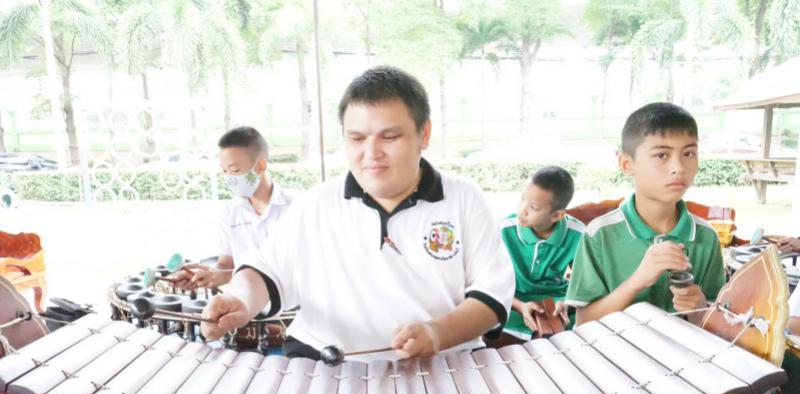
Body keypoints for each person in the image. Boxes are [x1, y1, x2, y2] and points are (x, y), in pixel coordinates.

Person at [201, 66, 514, 360]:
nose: (371, 153)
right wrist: (239, 299)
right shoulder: (316, 204)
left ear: (424, 134)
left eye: (389, 137)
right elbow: (264, 271)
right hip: (327, 365)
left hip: (441, 365)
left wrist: (437, 333)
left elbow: (492, 295)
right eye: (357, 138)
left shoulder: (464, 199)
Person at [565, 102, 725, 325]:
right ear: (627, 164)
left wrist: (699, 307)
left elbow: (718, 323)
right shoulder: (600, 235)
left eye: (689, 153)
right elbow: (584, 322)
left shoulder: (706, 236)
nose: (679, 167)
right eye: (661, 155)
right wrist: (639, 279)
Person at [172, 127, 293, 290]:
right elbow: (225, 265)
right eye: (225, 171)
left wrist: (229, 276)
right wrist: (204, 276)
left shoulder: (296, 208)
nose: (229, 178)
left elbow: (299, 268)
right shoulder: (231, 212)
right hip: (245, 301)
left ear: (260, 166)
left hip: (290, 302)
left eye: (235, 170)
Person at [500, 166, 584, 341]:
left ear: (557, 216)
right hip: (513, 301)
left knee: (583, 325)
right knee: (488, 317)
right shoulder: (502, 231)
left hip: (556, 303)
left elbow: (583, 285)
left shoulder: (579, 235)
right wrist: (520, 306)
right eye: (522, 199)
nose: (522, 210)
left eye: (532, 207)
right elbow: (486, 283)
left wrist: (567, 304)